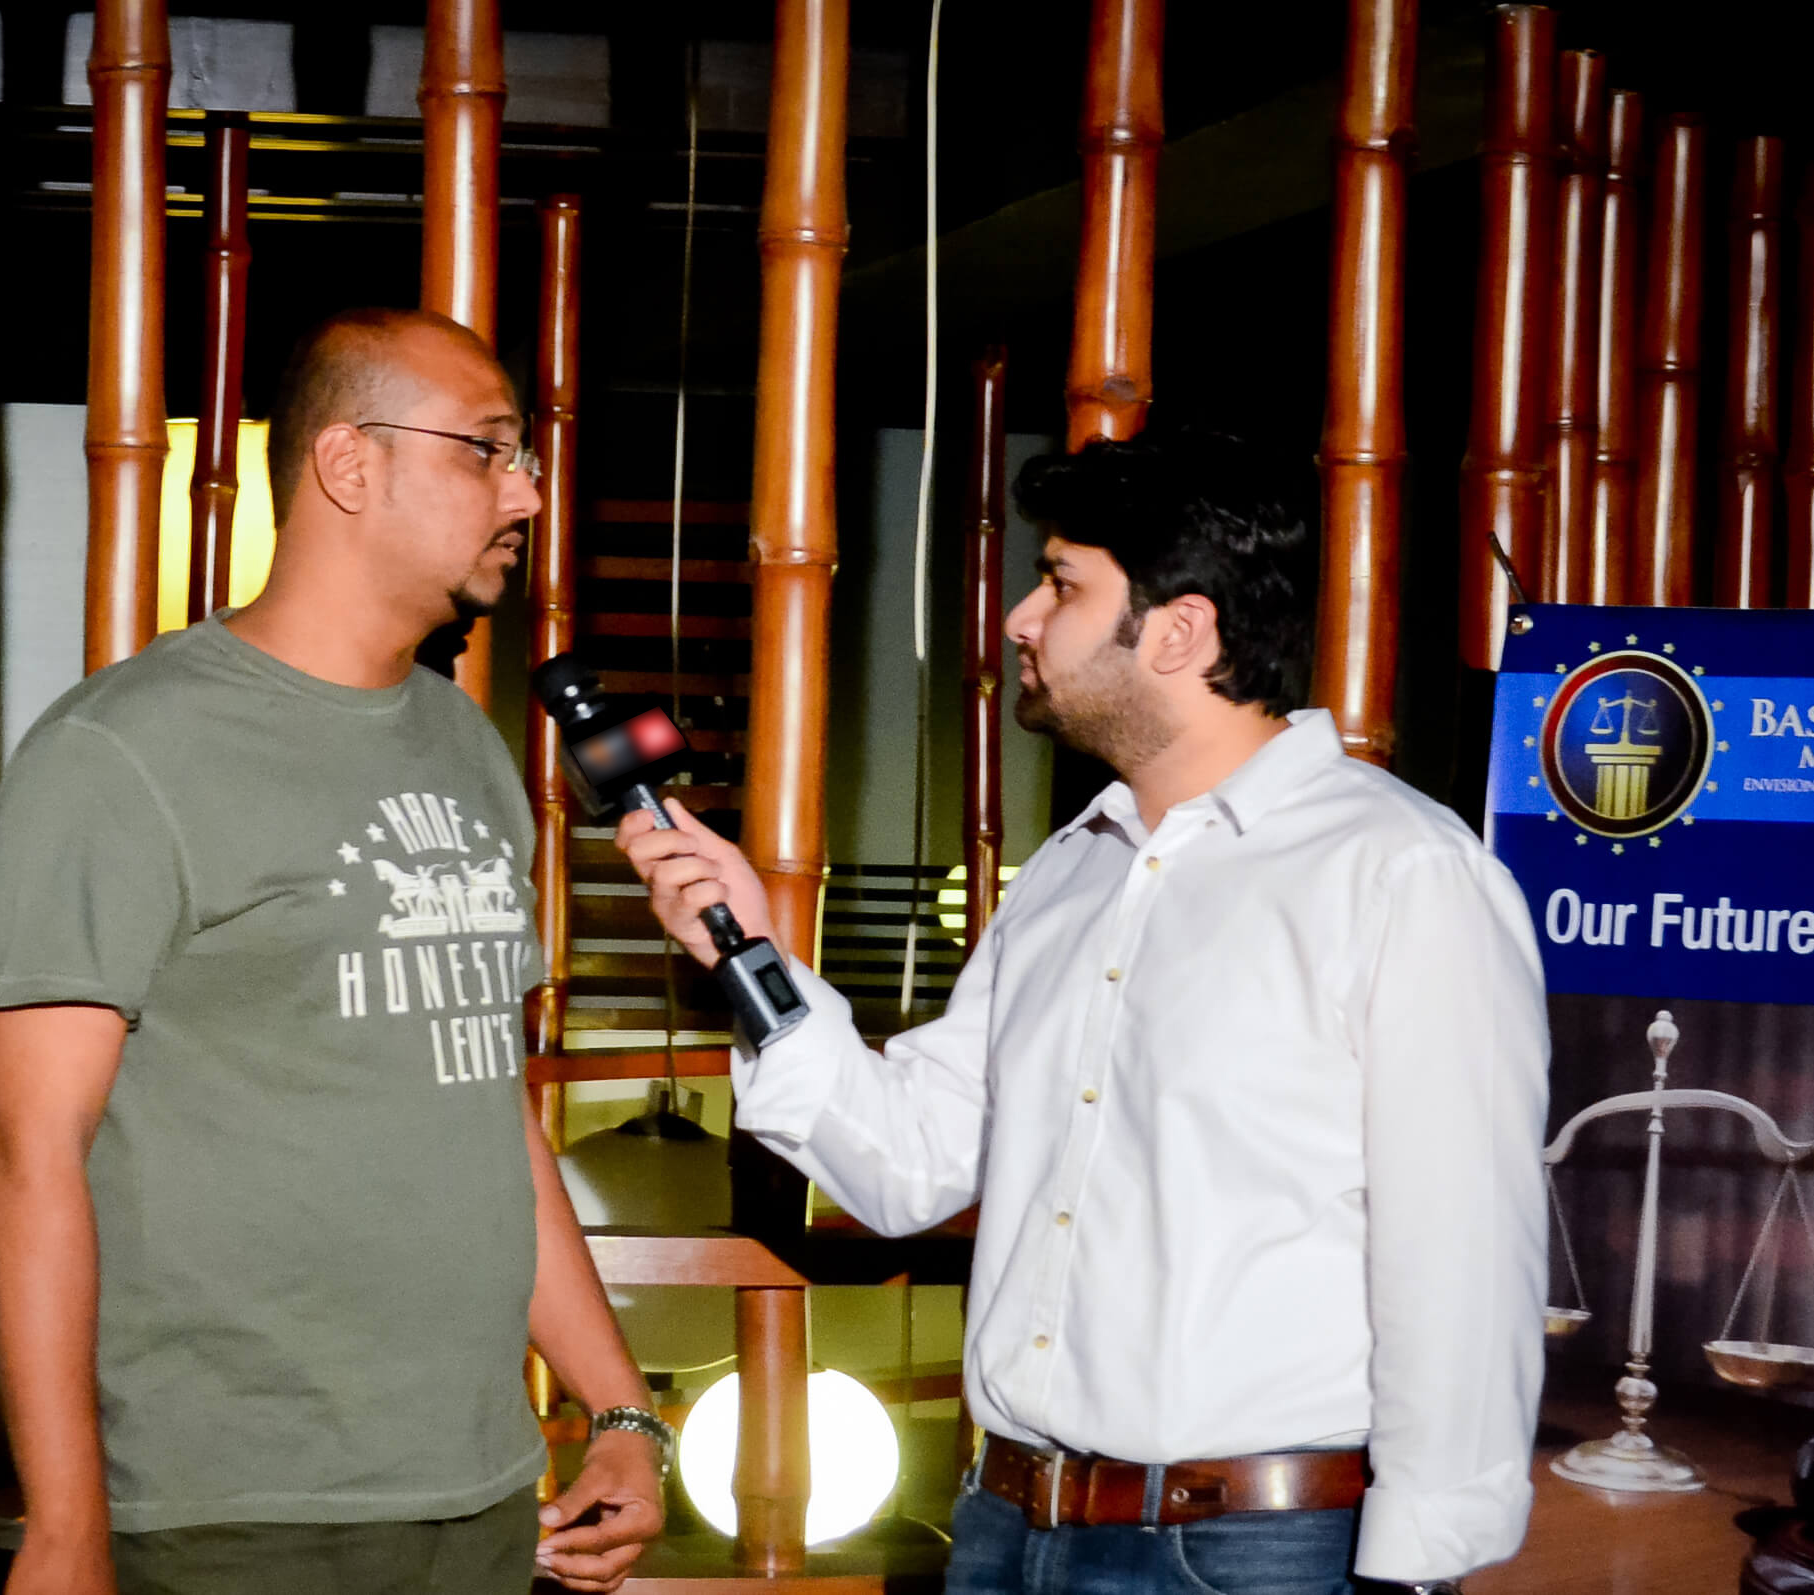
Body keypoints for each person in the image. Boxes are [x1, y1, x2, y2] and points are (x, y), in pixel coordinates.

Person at [618, 429, 1549, 1595]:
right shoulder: (1069, 871)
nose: (1018, 616)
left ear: (1179, 630)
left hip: (1254, 1552)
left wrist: (1415, 1569)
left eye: (1060, 582)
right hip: (1006, 1526)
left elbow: (1460, 1253)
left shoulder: (1401, 873)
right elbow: (909, 1159)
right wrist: (747, 953)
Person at [0, 308, 669, 1595]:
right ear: (349, 465)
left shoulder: (466, 747)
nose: (524, 491)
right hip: (236, 1508)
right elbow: (25, 1148)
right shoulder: (122, 752)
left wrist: (618, 1409)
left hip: (477, 1493)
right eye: (487, 450)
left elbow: (488, 1113)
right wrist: (66, 1529)